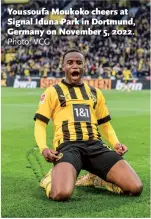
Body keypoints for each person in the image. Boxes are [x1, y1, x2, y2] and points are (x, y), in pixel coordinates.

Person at [34, 49, 143, 201]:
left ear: (84, 67)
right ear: (63, 67)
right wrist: (43, 148)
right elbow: (40, 123)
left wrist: (115, 143)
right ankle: (49, 179)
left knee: (135, 187)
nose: (75, 66)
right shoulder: (53, 91)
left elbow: (105, 124)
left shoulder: (94, 92)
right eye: (70, 62)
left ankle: (95, 178)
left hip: (95, 147)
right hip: (68, 147)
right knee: (60, 194)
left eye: (79, 63)